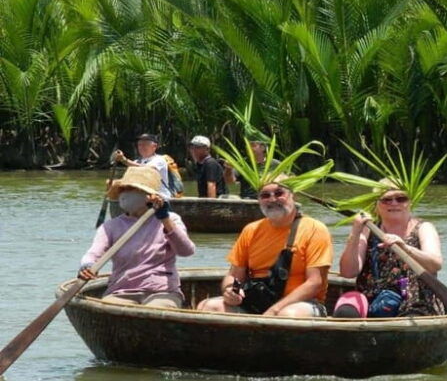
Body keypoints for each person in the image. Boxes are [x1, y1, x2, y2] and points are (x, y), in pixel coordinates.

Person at [197, 180, 333, 317]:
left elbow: (314, 283)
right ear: (259, 200)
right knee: (208, 306)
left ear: (293, 196)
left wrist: (274, 310)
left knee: (287, 315)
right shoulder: (251, 230)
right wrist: (229, 290)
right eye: (265, 195)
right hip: (257, 301)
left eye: (279, 193)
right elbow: (234, 274)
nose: (272, 199)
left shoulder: (315, 229)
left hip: (301, 304)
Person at [78, 166, 196, 308]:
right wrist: (87, 266)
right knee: (110, 309)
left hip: (162, 291)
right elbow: (93, 253)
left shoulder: (170, 219)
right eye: (123, 190)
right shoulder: (111, 226)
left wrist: (165, 219)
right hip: (121, 290)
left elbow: (186, 251)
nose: (125, 195)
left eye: (131, 189)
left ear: (148, 196)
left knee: (156, 310)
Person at [335, 182, 445, 318]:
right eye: (387, 199)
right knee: (345, 311)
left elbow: (435, 264)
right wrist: (355, 233)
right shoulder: (368, 230)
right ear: (377, 205)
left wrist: (405, 248)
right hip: (373, 301)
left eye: (401, 198)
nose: (394, 203)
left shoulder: (423, 228)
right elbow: (348, 272)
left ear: (409, 202)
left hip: (414, 302)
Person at [114, 133, 172, 199]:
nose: (142, 147)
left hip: (160, 196)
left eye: (145, 145)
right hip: (141, 195)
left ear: (154, 146)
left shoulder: (160, 160)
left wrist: (124, 160)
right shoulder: (136, 161)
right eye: (140, 145)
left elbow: (147, 170)